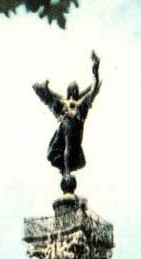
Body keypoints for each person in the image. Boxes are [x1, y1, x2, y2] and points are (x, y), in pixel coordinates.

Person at [33, 51, 101, 192]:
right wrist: (47, 88)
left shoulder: (80, 103)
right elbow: (53, 97)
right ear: (70, 91)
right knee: (67, 149)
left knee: (70, 150)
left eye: (76, 90)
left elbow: (92, 90)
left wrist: (96, 71)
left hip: (76, 127)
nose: (75, 91)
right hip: (67, 126)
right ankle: (67, 172)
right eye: (73, 90)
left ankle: (67, 171)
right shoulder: (65, 102)